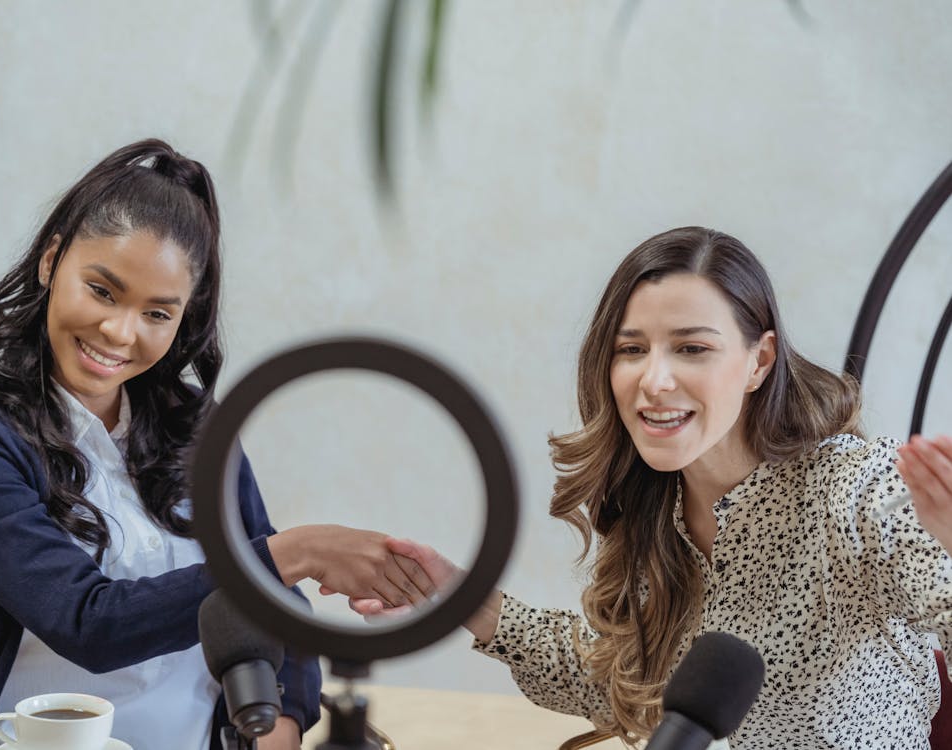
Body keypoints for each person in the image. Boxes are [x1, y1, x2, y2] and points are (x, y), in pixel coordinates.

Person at [0, 139, 431, 750]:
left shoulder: (197, 424)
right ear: (52, 261)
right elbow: (87, 623)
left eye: (158, 314)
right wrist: (298, 550)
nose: (119, 332)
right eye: (102, 291)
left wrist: (284, 727)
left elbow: (280, 604)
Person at [354, 227, 952, 749]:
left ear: (760, 361)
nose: (655, 379)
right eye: (631, 350)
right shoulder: (655, 506)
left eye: (692, 348)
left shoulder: (862, 490)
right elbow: (611, 677)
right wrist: (464, 597)